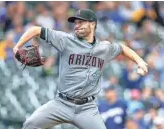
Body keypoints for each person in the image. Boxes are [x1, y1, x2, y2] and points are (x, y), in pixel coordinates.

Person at [13, 9, 148, 129]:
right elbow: (36, 30)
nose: (77, 26)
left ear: (93, 24)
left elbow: (122, 48)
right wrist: (17, 46)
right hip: (61, 103)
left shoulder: (104, 48)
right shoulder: (65, 40)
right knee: (30, 125)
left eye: (81, 22)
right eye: (75, 23)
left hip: (87, 109)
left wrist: (140, 61)